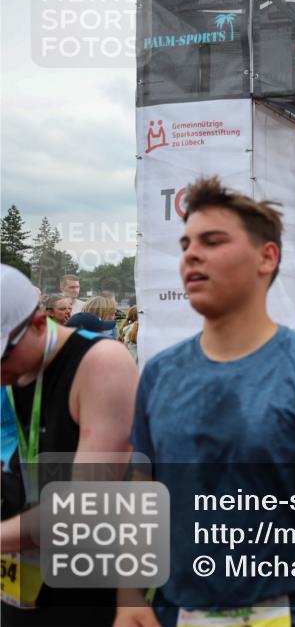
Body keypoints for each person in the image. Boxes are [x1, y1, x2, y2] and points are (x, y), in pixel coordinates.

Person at [115, 176, 295, 627]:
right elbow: (142, 495)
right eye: (186, 243)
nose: (191, 254)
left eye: (212, 241)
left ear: (267, 257)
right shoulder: (160, 375)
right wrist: (128, 595)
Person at [0, 264, 138, 625]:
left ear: (39, 324)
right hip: (19, 576)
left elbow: (88, 508)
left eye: (1, 356)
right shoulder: (14, 366)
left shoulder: (100, 364)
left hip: (86, 581)